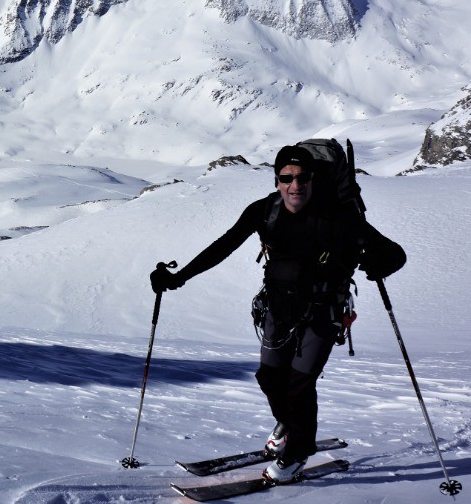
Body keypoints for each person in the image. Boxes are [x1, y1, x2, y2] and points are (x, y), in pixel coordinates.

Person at [150, 145, 406, 483]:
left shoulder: (338, 216)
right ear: (276, 181)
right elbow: (224, 245)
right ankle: (289, 424)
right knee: (270, 378)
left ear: (313, 180)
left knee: (300, 385)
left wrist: (379, 263)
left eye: (302, 177)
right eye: (287, 178)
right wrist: (178, 277)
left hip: (323, 311)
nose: (295, 185)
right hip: (277, 307)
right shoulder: (264, 211)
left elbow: (395, 253)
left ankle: (297, 453)